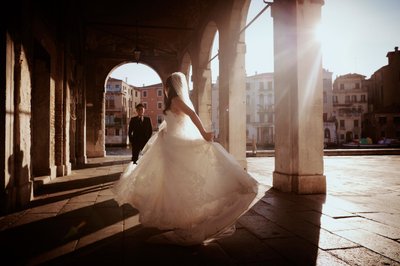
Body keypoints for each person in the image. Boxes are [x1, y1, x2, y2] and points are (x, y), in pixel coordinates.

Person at [113, 72, 261, 246]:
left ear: (171, 87)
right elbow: (175, 122)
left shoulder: (176, 101)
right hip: (170, 145)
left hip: (177, 147)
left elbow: (192, 115)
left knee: (182, 183)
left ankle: (189, 222)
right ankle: (185, 222)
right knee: (174, 184)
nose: (165, 91)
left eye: (166, 88)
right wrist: (164, 133)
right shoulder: (173, 102)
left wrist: (204, 133)